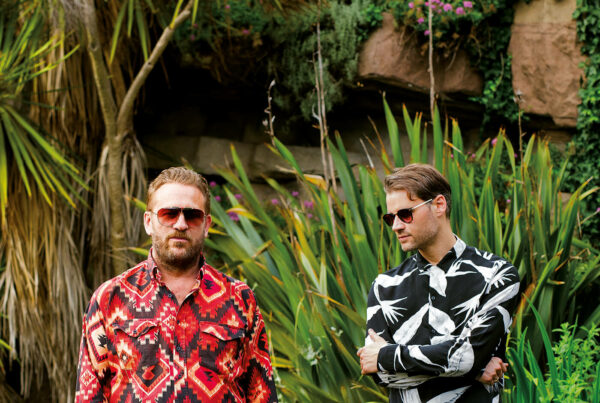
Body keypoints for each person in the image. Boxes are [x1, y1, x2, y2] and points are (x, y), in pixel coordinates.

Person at [75, 167, 277, 402]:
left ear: (207, 225)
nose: (181, 224)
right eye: (169, 214)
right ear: (149, 222)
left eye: (192, 215)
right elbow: (89, 396)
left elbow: (262, 395)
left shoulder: (240, 299)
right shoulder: (109, 298)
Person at [357, 164, 520, 402]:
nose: (396, 226)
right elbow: (379, 373)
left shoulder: (496, 275)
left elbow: (468, 357)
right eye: (390, 218)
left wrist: (387, 356)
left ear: (439, 205)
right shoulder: (384, 286)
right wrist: (474, 372)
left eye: (405, 214)